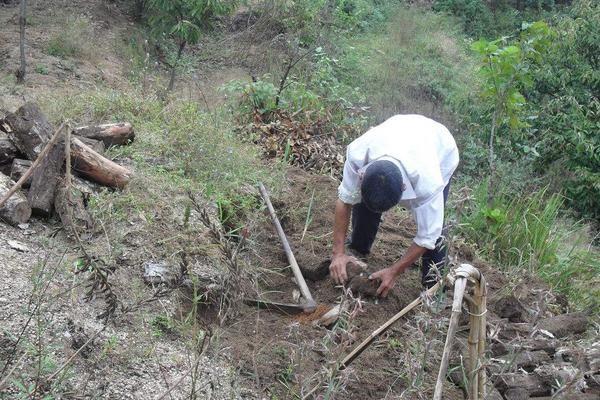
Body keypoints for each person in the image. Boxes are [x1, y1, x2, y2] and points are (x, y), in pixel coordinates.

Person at [329, 114, 459, 297]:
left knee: (435, 228)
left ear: (404, 187)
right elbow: (345, 200)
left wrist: (394, 271)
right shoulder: (359, 153)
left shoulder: (429, 183)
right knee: (366, 202)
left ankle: (434, 286)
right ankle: (358, 247)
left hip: (440, 146)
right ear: (363, 175)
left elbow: (427, 236)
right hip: (397, 129)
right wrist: (338, 253)